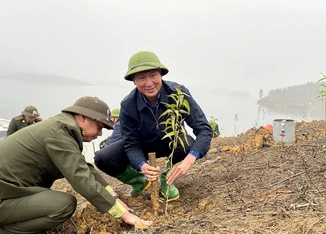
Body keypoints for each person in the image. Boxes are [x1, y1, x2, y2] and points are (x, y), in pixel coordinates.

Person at [0, 96, 151, 234]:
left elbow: (84, 168)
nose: (100, 134)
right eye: (99, 126)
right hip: (5, 196)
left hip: (10, 192)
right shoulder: (58, 134)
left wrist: (114, 197)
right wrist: (123, 214)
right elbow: (82, 179)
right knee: (64, 205)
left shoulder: (61, 128)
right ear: (83, 117)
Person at [94, 51, 213, 202]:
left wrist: (189, 160)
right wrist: (142, 166)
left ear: (160, 75)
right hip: (143, 145)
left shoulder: (178, 93)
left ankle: (167, 179)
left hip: (172, 142)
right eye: (141, 78)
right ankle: (139, 181)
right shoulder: (128, 104)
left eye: (153, 75)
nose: (149, 83)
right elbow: (131, 144)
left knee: (188, 145)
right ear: (133, 80)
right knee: (103, 158)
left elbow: (204, 129)